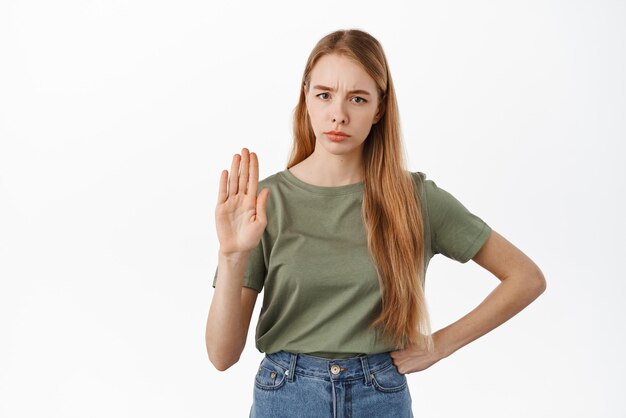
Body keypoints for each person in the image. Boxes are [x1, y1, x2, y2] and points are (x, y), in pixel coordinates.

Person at [205, 28, 546, 418]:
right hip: (286, 396)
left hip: (379, 396)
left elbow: (525, 277)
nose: (339, 113)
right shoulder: (266, 202)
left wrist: (439, 345)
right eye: (324, 95)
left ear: (379, 109)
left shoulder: (414, 198)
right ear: (306, 100)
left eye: (358, 98)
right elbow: (221, 355)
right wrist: (232, 255)